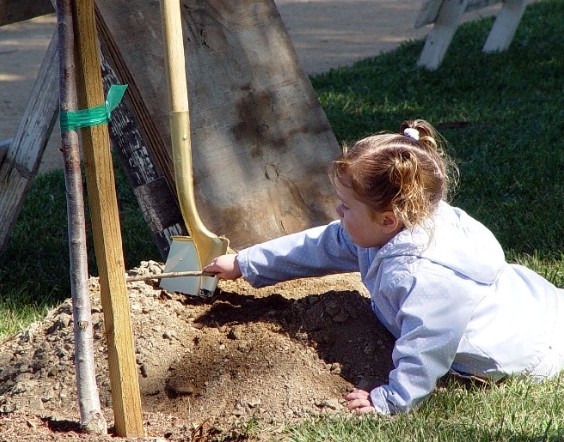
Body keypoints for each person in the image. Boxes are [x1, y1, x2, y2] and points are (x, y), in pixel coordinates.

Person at [203, 119, 564, 416]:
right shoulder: (396, 225)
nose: (337, 214)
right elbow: (319, 246)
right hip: (532, 302)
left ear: (389, 219)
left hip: (529, 347)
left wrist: (391, 400)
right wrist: (245, 263)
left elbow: (427, 345)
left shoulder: (423, 276)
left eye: (345, 206)